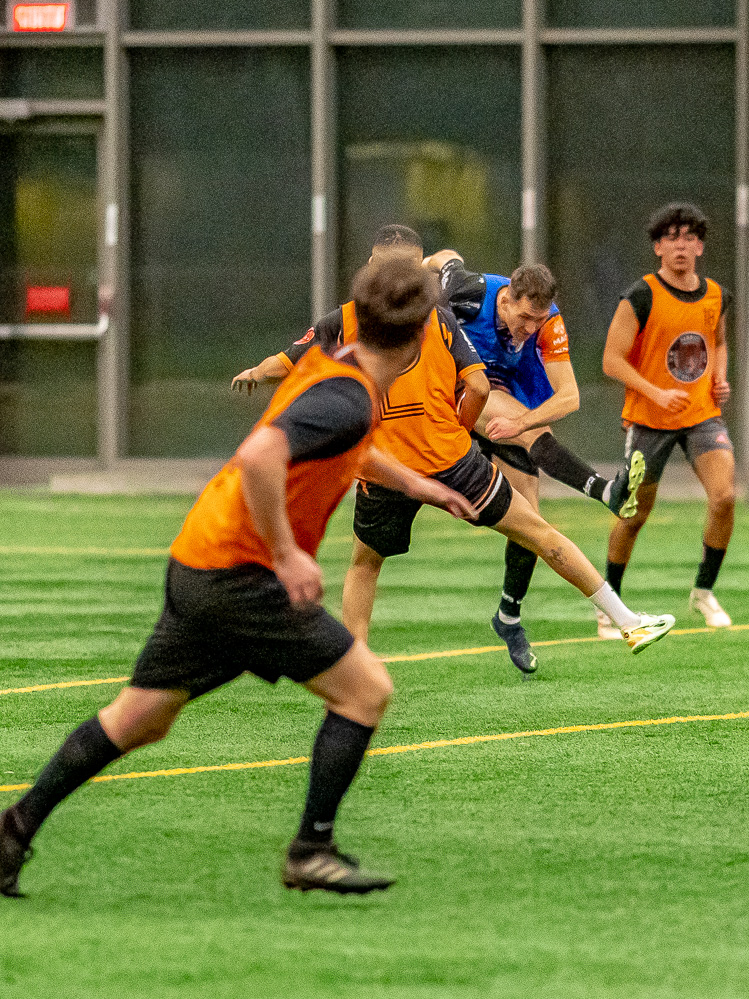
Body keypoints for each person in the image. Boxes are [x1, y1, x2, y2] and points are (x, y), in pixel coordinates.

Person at [1, 258, 477, 897]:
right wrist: (286, 553)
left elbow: (344, 446)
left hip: (200, 557)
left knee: (139, 718)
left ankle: (13, 830)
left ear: (357, 313)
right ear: (426, 334)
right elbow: (261, 455)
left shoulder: (333, 369)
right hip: (240, 576)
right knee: (366, 691)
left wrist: (423, 485)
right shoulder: (347, 396)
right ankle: (312, 849)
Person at [234, 227, 673, 676]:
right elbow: (479, 384)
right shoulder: (438, 316)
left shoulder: (343, 321)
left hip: (386, 467)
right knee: (540, 533)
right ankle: (627, 621)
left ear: (371, 266)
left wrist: (254, 372)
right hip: (451, 459)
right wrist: (459, 429)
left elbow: (285, 363)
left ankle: (355, 661)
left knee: (365, 565)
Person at [420, 251, 646, 657]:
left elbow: (570, 397)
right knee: (525, 424)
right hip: (453, 399)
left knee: (530, 523)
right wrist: (417, 268)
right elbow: (446, 257)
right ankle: (606, 491)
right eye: (523, 318)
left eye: (537, 321)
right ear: (505, 299)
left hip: (501, 408)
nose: (529, 329)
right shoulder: (469, 291)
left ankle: (508, 615)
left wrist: (520, 425)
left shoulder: (548, 323)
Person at [597, 202, 737, 638]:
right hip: (649, 419)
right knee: (634, 513)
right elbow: (611, 360)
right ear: (658, 247)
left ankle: (704, 591)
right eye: (671, 237)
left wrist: (719, 377)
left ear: (700, 247)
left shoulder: (716, 295)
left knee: (725, 498)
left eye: (689, 237)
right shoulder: (640, 296)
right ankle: (610, 603)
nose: (681, 245)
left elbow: (718, 342)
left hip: (701, 415)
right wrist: (656, 391)